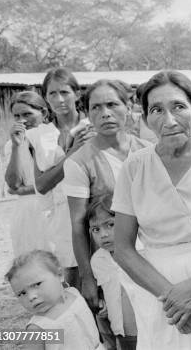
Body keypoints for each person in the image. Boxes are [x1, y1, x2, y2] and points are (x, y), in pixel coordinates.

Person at [111, 71, 191, 350]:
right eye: (156, 110)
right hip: (160, 296)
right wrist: (172, 297)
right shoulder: (135, 167)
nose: (169, 120)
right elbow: (123, 248)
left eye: (178, 106)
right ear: (145, 119)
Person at [63, 79, 151, 314]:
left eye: (112, 104)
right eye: (96, 107)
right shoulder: (79, 162)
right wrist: (88, 278)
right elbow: (77, 224)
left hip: (154, 254)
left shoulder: (149, 150)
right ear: (87, 114)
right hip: (113, 263)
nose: (105, 114)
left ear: (128, 106)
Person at [26, 68, 95, 289]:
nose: (59, 99)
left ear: (76, 93)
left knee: (108, 278)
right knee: (74, 282)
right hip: (63, 218)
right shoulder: (40, 135)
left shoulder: (91, 126)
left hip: (97, 210)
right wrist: (72, 154)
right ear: (45, 97)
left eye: (64, 92)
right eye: (52, 94)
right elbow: (43, 184)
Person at [6, 250, 104, 350]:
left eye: (37, 284)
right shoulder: (37, 329)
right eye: (22, 293)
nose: (31, 297)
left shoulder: (74, 293)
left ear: (60, 275)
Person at [4, 91, 52, 256]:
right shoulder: (12, 145)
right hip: (27, 215)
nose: (22, 120)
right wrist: (17, 147)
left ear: (43, 113)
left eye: (27, 114)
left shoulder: (55, 139)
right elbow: (13, 184)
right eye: (17, 116)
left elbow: (59, 180)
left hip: (54, 208)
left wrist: (26, 190)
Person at [89, 194, 137, 349]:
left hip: (148, 327)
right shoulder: (97, 260)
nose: (103, 235)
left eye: (110, 225)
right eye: (96, 229)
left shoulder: (141, 251)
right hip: (122, 333)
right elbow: (107, 289)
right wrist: (104, 304)